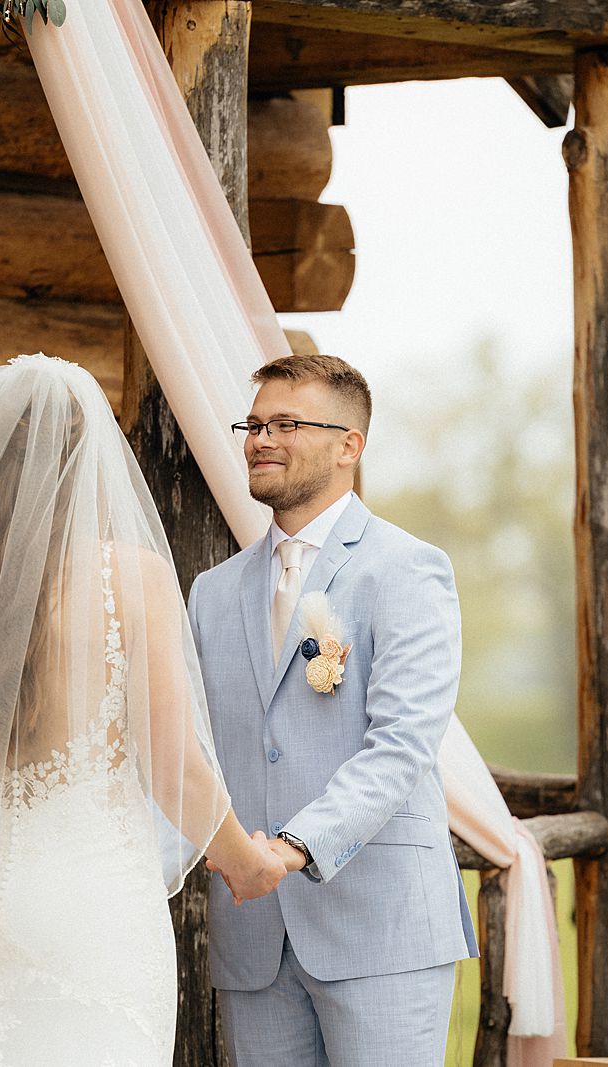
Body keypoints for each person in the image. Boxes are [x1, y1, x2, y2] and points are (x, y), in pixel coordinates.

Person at [0, 354, 284, 1062]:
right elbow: (173, 766)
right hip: (89, 902)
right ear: (89, 458)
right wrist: (244, 859)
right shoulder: (132, 576)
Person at [188, 353, 477, 1066]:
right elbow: (193, 749)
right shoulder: (211, 593)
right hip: (253, 934)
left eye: (286, 422)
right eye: (253, 424)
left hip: (380, 926)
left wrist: (289, 848)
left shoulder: (407, 568)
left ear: (351, 445)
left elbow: (402, 745)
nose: (261, 439)